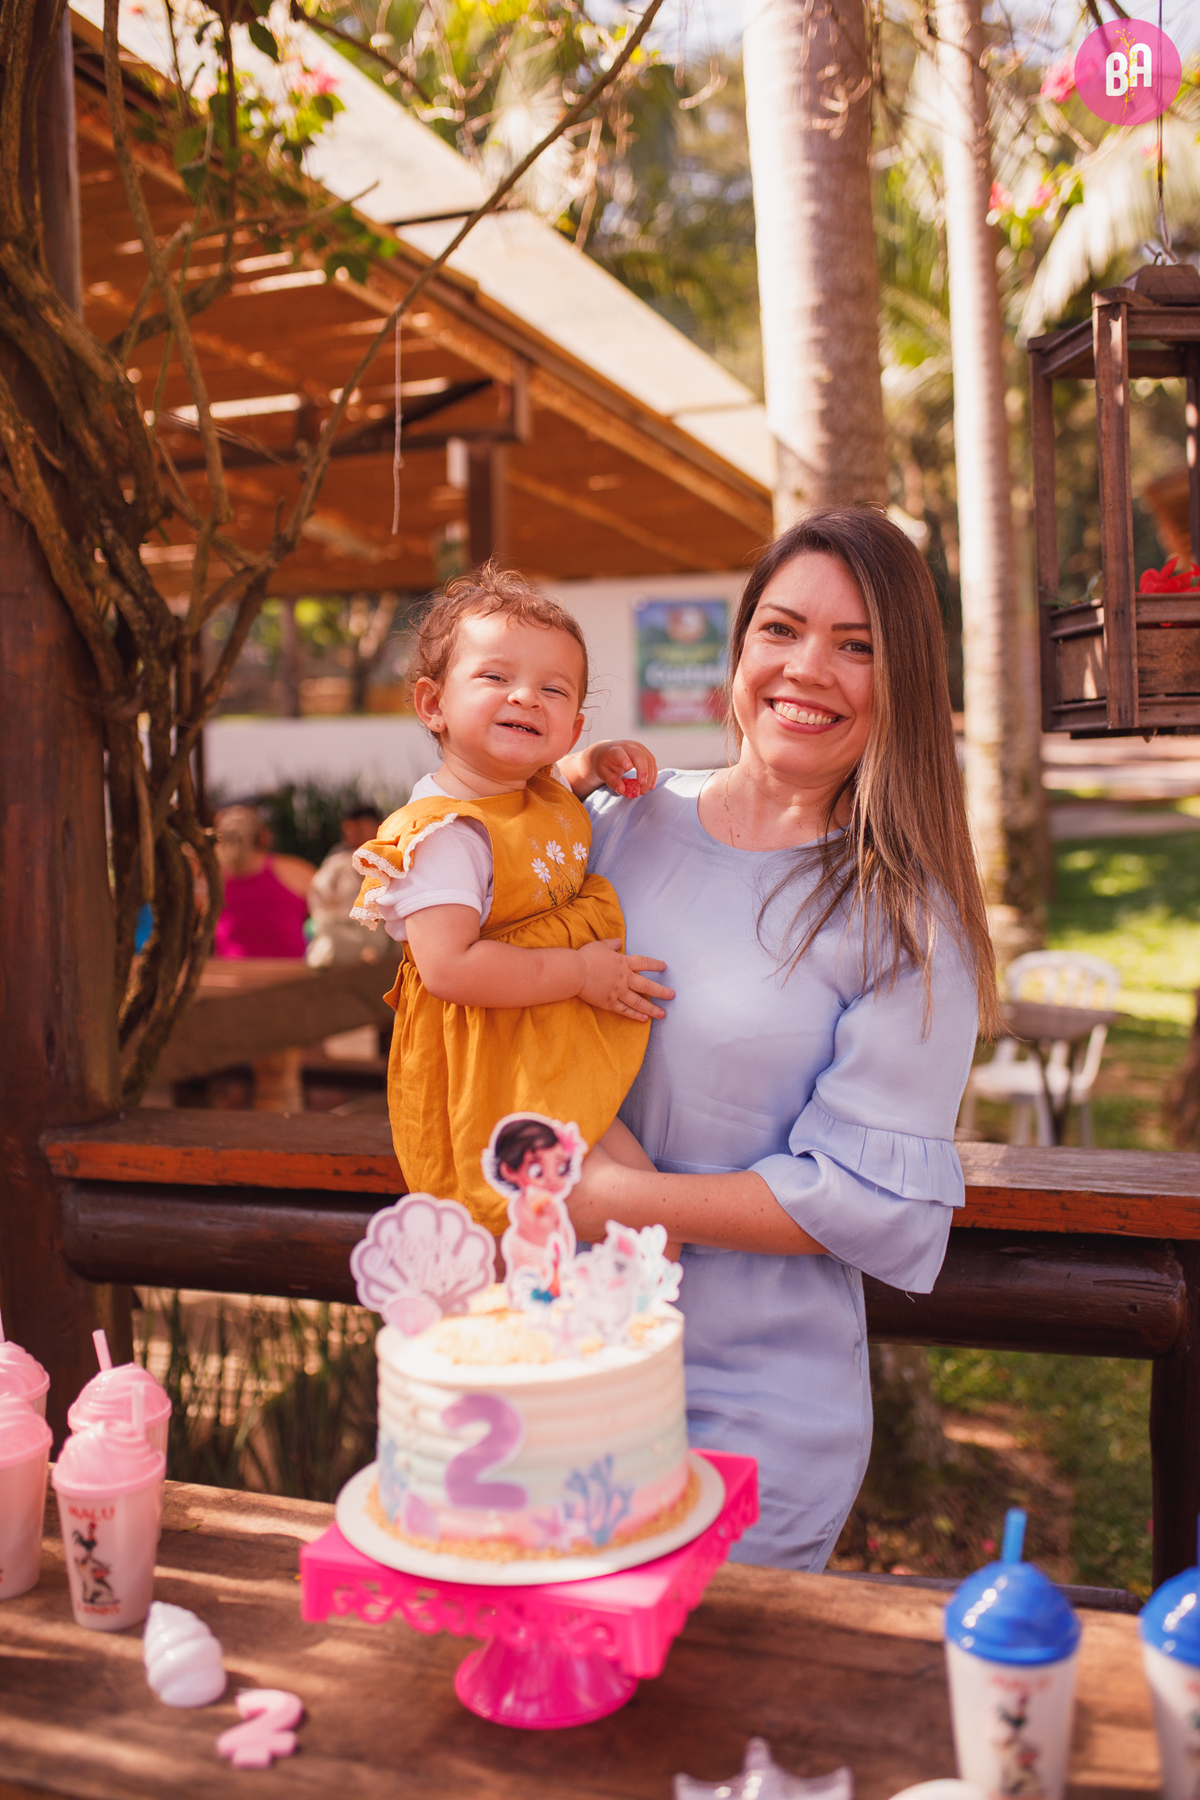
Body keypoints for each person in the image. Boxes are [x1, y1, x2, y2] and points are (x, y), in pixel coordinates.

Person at [566, 506, 1000, 1570]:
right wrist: (534, 784)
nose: (808, 669)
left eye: (858, 646)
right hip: (552, 1361)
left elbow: (863, 1197)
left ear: (904, 682)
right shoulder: (614, 821)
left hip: (747, 1409)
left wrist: (613, 1195)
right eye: (782, 629)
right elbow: (451, 958)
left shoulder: (907, 918)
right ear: (741, 645)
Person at [350, 564, 673, 1238]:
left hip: (547, 1046)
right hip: (496, 1069)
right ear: (433, 705)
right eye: (496, 677)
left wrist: (599, 762)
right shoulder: (447, 834)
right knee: (592, 1231)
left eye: (552, 689)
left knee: (648, 1229)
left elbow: (559, 783)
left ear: (571, 726)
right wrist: (579, 972)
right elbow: (450, 968)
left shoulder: (533, 784)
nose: (526, 697)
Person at [212, 804, 314, 960]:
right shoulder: (296, 871)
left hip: (229, 970)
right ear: (264, 837)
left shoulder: (211, 880)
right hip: (291, 970)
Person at [306, 803, 391, 969]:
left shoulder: (393, 860)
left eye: (361, 829)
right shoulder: (335, 865)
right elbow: (320, 903)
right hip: (346, 936)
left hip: (386, 940)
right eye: (350, 829)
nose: (354, 833)